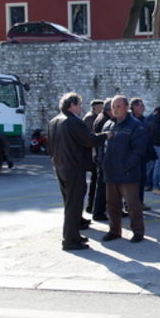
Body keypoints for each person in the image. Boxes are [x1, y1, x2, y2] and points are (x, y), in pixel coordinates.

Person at [48, 92, 110, 251]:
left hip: (60, 166)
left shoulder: (54, 121)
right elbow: (89, 140)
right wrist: (106, 135)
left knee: (70, 203)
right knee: (73, 205)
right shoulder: (73, 122)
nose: (81, 108)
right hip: (73, 168)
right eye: (79, 104)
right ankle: (69, 240)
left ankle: (74, 235)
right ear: (72, 105)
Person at [101, 96, 148, 243]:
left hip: (128, 173)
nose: (115, 109)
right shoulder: (108, 124)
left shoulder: (135, 125)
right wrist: (101, 162)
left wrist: (127, 165)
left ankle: (138, 232)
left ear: (127, 107)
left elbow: (139, 149)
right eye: (113, 107)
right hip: (111, 172)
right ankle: (114, 230)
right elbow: (102, 146)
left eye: (118, 106)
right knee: (112, 204)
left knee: (132, 204)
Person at [91, 98, 113, 221]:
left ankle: (99, 210)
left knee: (103, 185)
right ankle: (98, 212)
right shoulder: (104, 121)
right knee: (102, 186)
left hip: (100, 155)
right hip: (102, 156)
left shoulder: (101, 118)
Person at [82, 99, 104, 214]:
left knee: (95, 181)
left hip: (93, 153)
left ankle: (92, 205)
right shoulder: (90, 118)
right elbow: (89, 137)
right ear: (95, 107)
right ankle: (91, 206)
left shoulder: (92, 117)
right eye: (101, 106)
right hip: (92, 154)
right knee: (95, 181)